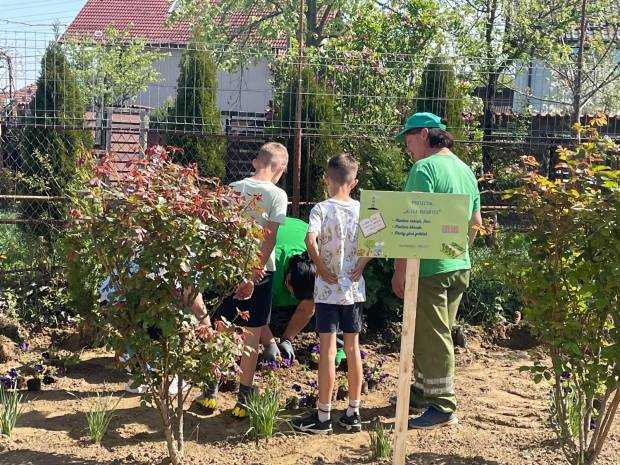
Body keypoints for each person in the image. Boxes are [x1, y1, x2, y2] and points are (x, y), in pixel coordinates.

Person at [391, 112, 482, 429]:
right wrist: (458, 252)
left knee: (433, 335)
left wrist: (400, 270)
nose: (408, 148)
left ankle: (443, 406)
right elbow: (475, 224)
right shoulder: (465, 170)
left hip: (429, 269)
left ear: (425, 134)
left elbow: (411, 225)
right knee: (428, 331)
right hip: (458, 265)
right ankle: (421, 390)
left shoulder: (424, 169)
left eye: (409, 140)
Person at [196, 142, 289, 418]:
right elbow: (269, 237)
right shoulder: (277, 195)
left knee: (222, 326)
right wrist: (252, 273)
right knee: (252, 333)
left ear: (254, 163)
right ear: (280, 168)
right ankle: (243, 400)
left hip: (228, 269)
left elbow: (221, 233)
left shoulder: (232, 188)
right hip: (260, 272)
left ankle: (210, 392)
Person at [292, 153, 370, 434]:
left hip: (327, 291)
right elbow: (373, 243)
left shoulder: (321, 209)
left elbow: (309, 238)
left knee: (327, 349)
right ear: (354, 182)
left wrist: (320, 266)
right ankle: (353, 412)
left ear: (327, 179)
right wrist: (359, 266)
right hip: (353, 291)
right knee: (353, 349)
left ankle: (323, 416)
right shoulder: (364, 210)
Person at [260, 218, 346, 365]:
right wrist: (270, 343)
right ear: (287, 280)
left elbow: (307, 308)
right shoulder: (268, 265)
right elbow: (254, 308)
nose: (294, 298)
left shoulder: (320, 264)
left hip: (300, 231)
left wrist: (287, 339)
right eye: (292, 293)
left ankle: (338, 345)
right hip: (270, 233)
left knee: (328, 300)